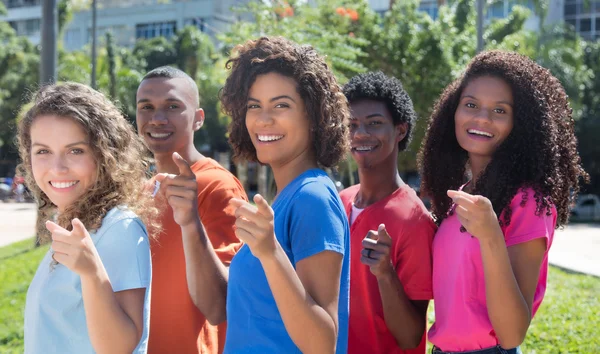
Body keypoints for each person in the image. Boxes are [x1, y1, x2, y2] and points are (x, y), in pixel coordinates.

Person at [418, 51, 589, 354]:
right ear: (452, 112)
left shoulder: (528, 201)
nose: (481, 118)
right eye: (470, 105)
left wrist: (491, 236)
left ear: (519, 124)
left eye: (500, 111)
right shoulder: (460, 197)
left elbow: (512, 334)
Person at [214, 36, 351, 353]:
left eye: (281, 105)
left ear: (314, 116)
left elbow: (322, 343)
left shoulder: (313, 198)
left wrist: (270, 253)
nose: (263, 119)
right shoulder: (289, 196)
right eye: (253, 106)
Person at [18, 82, 158, 353]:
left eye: (75, 150)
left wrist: (92, 274)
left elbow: (121, 347)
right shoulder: (74, 221)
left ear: (105, 154)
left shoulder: (120, 228)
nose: (57, 168)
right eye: (43, 151)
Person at [135, 66, 247, 354]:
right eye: (146, 107)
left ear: (198, 119)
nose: (157, 118)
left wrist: (190, 222)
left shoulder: (216, 185)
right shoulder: (145, 189)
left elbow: (219, 305)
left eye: (172, 106)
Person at [339, 72, 436, 354]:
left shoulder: (414, 220)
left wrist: (385, 273)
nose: (360, 134)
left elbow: (410, 337)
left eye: (375, 123)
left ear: (400, 130)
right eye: (352, 124)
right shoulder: (340, 201)